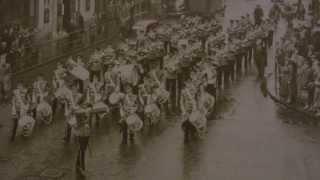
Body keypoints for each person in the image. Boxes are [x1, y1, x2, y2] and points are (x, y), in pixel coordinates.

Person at [73, 108, 91, 178]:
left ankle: (77, 164)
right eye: (83, 116)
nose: (84, 117)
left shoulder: (83, 123)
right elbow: (77, 127)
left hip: (84, 136)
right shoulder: (78, 123)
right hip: (81, 136)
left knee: (81, 150)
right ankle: (82, 168)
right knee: (82, 152)